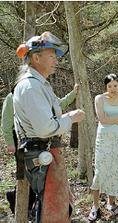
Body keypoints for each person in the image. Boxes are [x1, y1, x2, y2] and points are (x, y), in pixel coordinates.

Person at [13, 31, 85, 223]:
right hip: (40, 153)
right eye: (51, 56)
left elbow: (50, 116)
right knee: (49, 210)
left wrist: (67, 116)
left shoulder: (39, 84)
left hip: (46, 151)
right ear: (36, 57)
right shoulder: (31, 87)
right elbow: (45, 128)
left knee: (56, 207)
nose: (56, 60)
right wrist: (71, 119)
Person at [1, 83, 80, 217]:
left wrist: (73, 93)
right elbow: (6, 123)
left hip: (39, 138)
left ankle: (33, 206)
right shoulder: (11, 97)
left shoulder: (40, 96)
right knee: (25, 175)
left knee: (38, 174)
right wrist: (10, 143)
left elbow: (59, 105)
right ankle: (17, 202)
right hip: (19, 139)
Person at [88, 74, 118, 221]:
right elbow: (102, 120)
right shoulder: (99, 98)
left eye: (115, 86)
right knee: (100, 170)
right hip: (103, 138)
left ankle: (111, 202)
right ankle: (95, 206)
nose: (113, 89)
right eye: (110, 86)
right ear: (105, 87)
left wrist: (113, 120)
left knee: (115, 168)